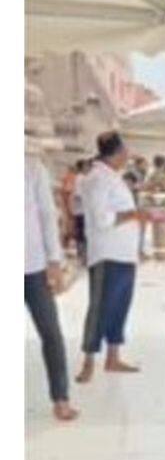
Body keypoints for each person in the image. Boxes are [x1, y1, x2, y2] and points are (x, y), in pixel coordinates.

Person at [76, 131, 149, 383]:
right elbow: (102, 219)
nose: (127, 155)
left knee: (120, 306)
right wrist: (133, 215)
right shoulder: (97, 179)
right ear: (115, 153)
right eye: (124, 151)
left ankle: (113, 356)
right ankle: (88, 361)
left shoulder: (112, 178)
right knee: (99, 308)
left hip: (123, 255)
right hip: (107, 255)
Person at [25, 141, 79, 421]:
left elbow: (48, 216)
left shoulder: (31, 167)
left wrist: (54, 261)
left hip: (32, 267)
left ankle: (61, 398)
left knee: (51, 333)